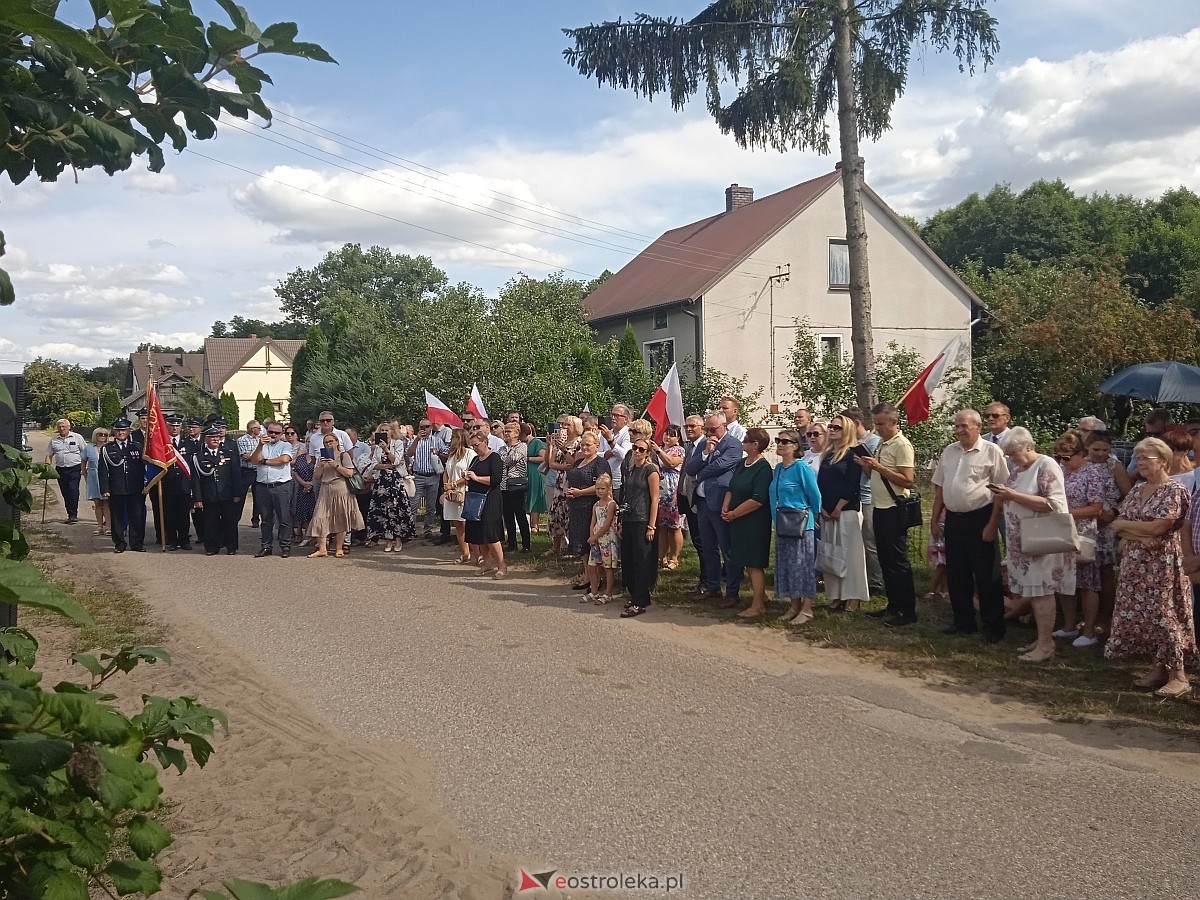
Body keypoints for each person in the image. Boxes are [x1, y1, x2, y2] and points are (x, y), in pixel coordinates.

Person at [1108, 437, 1195, 698]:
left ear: (1164, 461)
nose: (1141, 463)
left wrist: (1132, 530)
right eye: (1139, 457)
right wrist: (1142, 535)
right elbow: (1116, 523)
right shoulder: (1136, 489)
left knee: (1165, 616)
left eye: (1147, 458)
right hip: (1135, 563)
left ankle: (1179, 675)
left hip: (1162, 565)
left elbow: (1160, 528)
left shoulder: (1175, 490)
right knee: (1145, 618)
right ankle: (1158, 668)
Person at [990, 427, 1074, 662]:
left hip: (1042, 541)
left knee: (1042, 592)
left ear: (1029, 446)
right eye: (1009, 454)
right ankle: (1042, 638)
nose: (1012, 458)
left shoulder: (1046, 465)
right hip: (1023, 542)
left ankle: (1046, 645)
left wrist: (1013, 496)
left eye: (1014, 453)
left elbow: (1055, 504)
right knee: (1034, 593)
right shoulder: (1017, 470)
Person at [931, 409, 1009, 641]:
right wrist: (935, 520)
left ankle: (993, 626)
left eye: (964, 426)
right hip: (954, 519)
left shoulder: (991, 451)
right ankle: (963, 621)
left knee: (986, 575)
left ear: (977, 426)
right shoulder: (949, 451)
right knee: (957, 573)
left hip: (981, 518)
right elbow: (940, 489)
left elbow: (1000, 492)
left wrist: (992, 523)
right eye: (956, 426)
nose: (959, 430)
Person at [856, 403, 917, 627]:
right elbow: (877, 475)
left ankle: (906, 610)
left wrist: (879, 467)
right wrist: (866, 465)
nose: (877, 428)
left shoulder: (902, 445)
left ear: (894, 422)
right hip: (880, 507)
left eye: (881, 424)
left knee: (898, 561)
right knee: (886, 559)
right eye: (875, 424)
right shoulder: (883, 443)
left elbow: (907, 480)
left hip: (894, 507)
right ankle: (893, 605)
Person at [1054, 430, 1108, 647]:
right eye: (1059, 457)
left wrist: (1066, 513)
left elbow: (1096, 508)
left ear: (1081, 453)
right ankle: (1068, 626)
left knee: (1087, 583)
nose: (1062, 461)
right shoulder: (1062, 472)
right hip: (1061, 531)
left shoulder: (1092, 473)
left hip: (1083, 533)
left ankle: (1089, 630)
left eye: (1067, 457)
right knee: (1064, 580)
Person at [685, 412, 743, 604]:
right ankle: (713, 587)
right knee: (709, 548)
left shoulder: (733, 443)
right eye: (708, 429)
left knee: (727, 548)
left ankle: (733, 591)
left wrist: (701, 473)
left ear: (724, 426)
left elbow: (723, 465)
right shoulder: (705, 443)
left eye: (714, 429)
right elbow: (690, 468)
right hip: (703, 504)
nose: (711, 433)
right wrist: (704, 453)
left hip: (720, 503)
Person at [817, 414, 872, 613]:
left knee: (851, 555)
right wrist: (822, 507)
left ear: (846, 430)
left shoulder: (851, 454)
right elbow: (821, 484)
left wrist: (839, 507)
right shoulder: (828, 454)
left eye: (836, 427)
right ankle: (836, 595)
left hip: (846, 511)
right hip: (827, 511)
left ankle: (853, 596)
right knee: (831, 553)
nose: (831, 430)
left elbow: (852, 484)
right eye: (830, 426)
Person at [770, 428, 822, 624]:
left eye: (785, 441)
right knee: (787, 565)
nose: (780, 444)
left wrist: (814, 515)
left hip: (801, 522)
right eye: (778, 441)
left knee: (803, 565)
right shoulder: (779, 469)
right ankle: (794, 605)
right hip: (783, 521)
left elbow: (815, 495)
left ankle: (807, 608)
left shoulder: (801, 468)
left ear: (795, 446)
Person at [723, 427, 773, 618]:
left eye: (746, 440)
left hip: (754, 522)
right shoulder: (742, 463)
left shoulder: (763, 468)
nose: (742, 443)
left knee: (754, 563)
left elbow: (758, 499)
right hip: (737, 520)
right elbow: (732, 487)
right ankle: (761, 595)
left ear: (755, 445)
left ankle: (758, 605)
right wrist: (726, 507)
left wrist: (735, 513)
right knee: (743, 559)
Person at [1083, 430, 1124, 635]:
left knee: (1105, 571)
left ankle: (1105, 617)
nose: (1100, 454)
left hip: (1107, 523)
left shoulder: (1114, 466)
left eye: (1105, 450)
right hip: (1085, 522)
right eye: (1096, 449)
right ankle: (1086, 615)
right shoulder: (1082, 464)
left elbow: (1129, 494)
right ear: (1087, 448)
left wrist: (1115, 512)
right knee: (1085, 569)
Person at [618, 436, 661, 618]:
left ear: (648, 452)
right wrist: (620, 521)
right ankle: (634, 593)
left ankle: (641, 600)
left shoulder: (650, 470)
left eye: (641, 449)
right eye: (635, 448)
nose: (637, 451)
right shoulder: (630, 469)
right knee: (628, 558)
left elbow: (655, 499)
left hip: (643, 520)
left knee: (642, 559)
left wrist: (651, 526)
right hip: (628, 518)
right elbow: (625, 494)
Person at [842, 408, 883, 596]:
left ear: (856, 423)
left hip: (868, 497)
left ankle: (876, 582)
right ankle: (861, 578)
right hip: (853, 498)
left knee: (870, 541)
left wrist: (865, 464)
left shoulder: (874, 441)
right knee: (856, 542)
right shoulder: (852, 443)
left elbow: (875, 473)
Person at [306, 432, 363, 558]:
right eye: (326, 442)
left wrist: (336, 465)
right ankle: (322, 548)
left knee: (341, 518)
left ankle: (339, 548)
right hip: (325, 489)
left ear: (337, 442)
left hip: (341, 489)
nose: (328, 444)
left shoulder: (344, 455)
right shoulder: (322, 457)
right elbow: (316, 476)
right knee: (320, 517)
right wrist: (320, 466)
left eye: (331, 441)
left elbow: (349, 473)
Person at [190, 425, 243, 556]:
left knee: (230, 521)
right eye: (212, 437)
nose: (215, 439)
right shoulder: (198, 457)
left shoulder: (227, 454)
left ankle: (231, 546)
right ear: (205, 439)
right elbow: (195, 479)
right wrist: (197, 498)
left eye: (217, 437)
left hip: (227, 495)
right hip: (209, 495)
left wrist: (237, 493)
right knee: (210, 522)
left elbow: (236, 475)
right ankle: (212, 547)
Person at [365, 424, 415, 553]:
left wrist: (387, 450)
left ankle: (398, 539)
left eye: (386, 430)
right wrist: (389, 465)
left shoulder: (397, 443)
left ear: (391, 432)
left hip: (395, 481)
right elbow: (373, 465)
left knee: (396, 509)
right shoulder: (376, 446)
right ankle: (387, 539)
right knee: (383, 511)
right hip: (381, 482)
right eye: (382, 430)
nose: (384, 432)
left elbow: (397, 460)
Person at [99, 418, 146, 553]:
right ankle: (119, 544)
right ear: (114, 431)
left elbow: (145, 468)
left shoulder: (137, 446)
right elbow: (102, 470)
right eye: (118, 430)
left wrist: (146, 484)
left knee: (136, 516)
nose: (121, 432)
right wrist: (105, 488)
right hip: (116, 488)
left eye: (123, 430)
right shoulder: (107, 449)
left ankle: (137, 543)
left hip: (135, 487)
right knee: (117, 517)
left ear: (129, 431)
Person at [464, 430, 506, 578]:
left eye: (476, 445)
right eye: (472, 446)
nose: (474, 448)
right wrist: (467, 477)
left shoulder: (495, 458)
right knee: (478, 533)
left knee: (491, 533)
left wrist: (476, 478)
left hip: (490, 499)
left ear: (485, 442)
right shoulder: (475, 459)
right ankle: (487, 563)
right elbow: (471, 475)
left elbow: (496, 480)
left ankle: (501, 564)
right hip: (475, 499)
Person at [250, 420, 294, 558]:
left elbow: (284, 460)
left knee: (284, 519)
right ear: (266, 431)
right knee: (266, 519)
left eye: (276, 432)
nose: (273, 434)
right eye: (270, 432)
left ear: (281, 434)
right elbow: (253, 460)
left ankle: (285, 546)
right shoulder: (261, 445)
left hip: (281, 486)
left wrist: (264, 461)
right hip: (263, 486)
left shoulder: (285, 445)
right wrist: (260, 446)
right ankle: (266, 546)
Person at [564, 432, 608, 560]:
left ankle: (596, 577)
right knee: (582, 548)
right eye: (582, 445)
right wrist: (570, 492)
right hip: (576, 507)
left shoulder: (600, 463)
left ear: (597, 446)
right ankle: (587, 577)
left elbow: (602, 485)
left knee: (591, 544)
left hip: (591, 507)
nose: (584, 448)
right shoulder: (578, 462)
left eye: (588, 445)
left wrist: (580, 492)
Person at [678, 416, 708, 591]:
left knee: (702, 542)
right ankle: (704, 578)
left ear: (702, 428)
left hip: (699, 500)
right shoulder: (689, 446)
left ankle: (707, 580)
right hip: (687, 498)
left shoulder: (705, 446)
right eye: (686, 426)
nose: (688, 429)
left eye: (692, 426)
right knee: (697, 542)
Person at [405, 417, 448, 540]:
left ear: (431, 427)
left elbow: (447, 455)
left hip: (433, 476)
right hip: (418, 476)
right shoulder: (414, 441)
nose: (424, 429)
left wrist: (438, 453)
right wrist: (417, 439)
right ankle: (411, 529)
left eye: (427, 427)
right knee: (413, 505)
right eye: (421, 427)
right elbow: (409, 454)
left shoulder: (437, 441)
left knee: (431, 506)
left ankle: (427, 529)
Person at [546, 416, 583, 555]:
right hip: (559, 481)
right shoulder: (560, 442)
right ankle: (555, 546)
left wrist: (564, 451)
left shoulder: (579, 443)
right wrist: (564, 466)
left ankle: (571, 546)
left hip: (571, 481)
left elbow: (575, 463)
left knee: (569, 514)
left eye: (568, 425)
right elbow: (552, 463)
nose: (565, 427)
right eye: (564, 424)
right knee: (556, 512)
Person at [652, 424, 686, 570]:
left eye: (671, 435)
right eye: (666, 434)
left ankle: (675, 557)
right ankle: (661, 557)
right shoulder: (660, 449)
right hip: (658, 491)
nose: (667, 437)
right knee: (661, 527)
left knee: (674, 526)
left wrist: (658, 451)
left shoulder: (679, 450)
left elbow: (671, 462)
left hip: (672, 492)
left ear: (678, 438)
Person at [441, 428, 477, 563]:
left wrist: (454, 484)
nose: (451, 440)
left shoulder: (470, 453)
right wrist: (446, 486)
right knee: (457, 523)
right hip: (452, 492)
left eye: (454, 437)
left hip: (465, 491)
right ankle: (464, 553)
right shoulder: (452, 454)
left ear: (460, 438)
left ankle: (477, 553)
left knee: (467, 523)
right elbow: (446, 472)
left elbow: (469, 474)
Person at [159, 414, 193, 551]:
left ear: (181, 427)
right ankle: (173, 541)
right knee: (170, 515)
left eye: (177, 425)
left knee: (184, 515)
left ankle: (184, 540)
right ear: (167, 426)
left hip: (184, 485)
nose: (174, 428)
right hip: (168, 484)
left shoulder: (188, 444)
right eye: (172, 425)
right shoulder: (162, 445)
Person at [585, 473, 619, 604]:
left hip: (607, 539)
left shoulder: (611, 504)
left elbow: (607, 524)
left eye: (602, 488)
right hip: (596, 540)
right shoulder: (596, 505)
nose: (599, 491)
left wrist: (595, 536)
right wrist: (592, 537)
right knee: (592, 566)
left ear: (609, 488)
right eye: (597, 488)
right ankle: (594, 591)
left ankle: (608, 593)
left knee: (607, 567)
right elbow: (593, 522)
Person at [45, 417, 85, 524]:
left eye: (63, 426)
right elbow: (49, 455)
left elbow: (85, 452)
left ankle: (73, 515)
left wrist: (86, 466)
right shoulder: (54, 440)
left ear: (69, 427)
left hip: (75, 468)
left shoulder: (77, 437)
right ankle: (70, 513)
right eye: (59, 427)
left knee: (73, 490)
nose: (61, 428)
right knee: (65, 492)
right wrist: (47, 468)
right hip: (61, 470)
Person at [499, 422, 531, 553]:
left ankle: (526, 543)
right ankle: (511, 542)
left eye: (509, 431)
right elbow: (502, 458)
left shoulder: (522, 446)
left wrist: (505, 457)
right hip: (504, 484)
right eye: (505, 431)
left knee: (520, 513)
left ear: (517, 434)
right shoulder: (502, 448)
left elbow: (510, 459)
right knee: (507, 514)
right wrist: (506, 456)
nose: (506, 434)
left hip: (517, 483)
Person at [290, 425, 317, 547]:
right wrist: (304, 484)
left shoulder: (317, 458)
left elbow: (319, 472)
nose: (308, 443)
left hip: (314, 487)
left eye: (310, 442)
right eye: (307, 441)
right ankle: (299, 533)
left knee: (312, 512)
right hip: (301, 487)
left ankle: (310, 535)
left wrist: (310, 483)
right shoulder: (300, 457)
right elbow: (295, 471)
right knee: (300, 511)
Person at [82, 427, 109, 535]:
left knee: (106, 502)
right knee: (97, 502)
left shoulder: (109, 447)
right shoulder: (88, 448)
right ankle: (99, 526)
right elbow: (83, 463)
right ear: (95, 435)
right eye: (100, 434)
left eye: (105, 435)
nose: (102, 436)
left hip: (106, 477)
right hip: (93, 477)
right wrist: (86, 476)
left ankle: (109, 526)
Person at [598, 404, 631, 492]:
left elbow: (625, 456)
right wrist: (605, 454)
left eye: (617, 415)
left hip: (618, 482)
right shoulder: (606, 433)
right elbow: (596, 454)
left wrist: (611, 441)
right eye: (612, 415)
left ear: (626, 419)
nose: (613, 418)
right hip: (603, 480)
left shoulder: (628, 434)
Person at [524, 422, 548, 533]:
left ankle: (535, 524)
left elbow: (543, 458)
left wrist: (528, 458)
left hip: (535, 472)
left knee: (534, 496)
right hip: (526, 472)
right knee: (527, 496)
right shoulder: (523, 444)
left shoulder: (537, 442)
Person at [237, 420, 262, 527]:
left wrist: (253, 456)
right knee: (241, 495)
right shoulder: (241, 440)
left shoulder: (260, 440)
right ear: (252, 429)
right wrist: (256, 457)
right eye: (258, 428)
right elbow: (245, 457)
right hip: (246, 471)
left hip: (258, 471)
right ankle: (236, 517)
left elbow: (262, 455)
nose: (260, 430)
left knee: (258, 496)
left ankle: (256, 519)